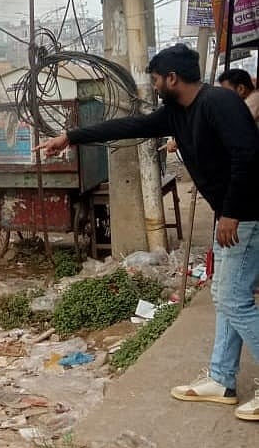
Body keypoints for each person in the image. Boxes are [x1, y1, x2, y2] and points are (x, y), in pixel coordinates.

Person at [36, 44, 259, 422]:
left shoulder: (219, 103)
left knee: (234, 299)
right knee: (225, 296)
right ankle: (222, 380)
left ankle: (224, 378)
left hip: (247, 215)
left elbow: (248, 155)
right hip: (230, 215)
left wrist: (233, 213)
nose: (154, 87)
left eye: (155, 80)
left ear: (172, 78)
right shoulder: (177, 113)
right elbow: (131, 126)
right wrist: (70, 137)